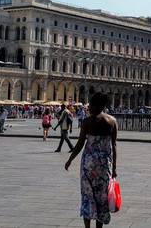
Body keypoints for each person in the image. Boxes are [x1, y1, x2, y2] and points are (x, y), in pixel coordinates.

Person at [65, 93, 118, 228]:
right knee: (102, 197)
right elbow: (114, 145)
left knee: (88, 196)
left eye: (92, 105)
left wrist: (70, 159)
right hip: (104, 165)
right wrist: (114, 168)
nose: (90, 108)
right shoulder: (112, 121)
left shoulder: (87, 122)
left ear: (100, 105)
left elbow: (80, 143)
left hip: (88, 165)